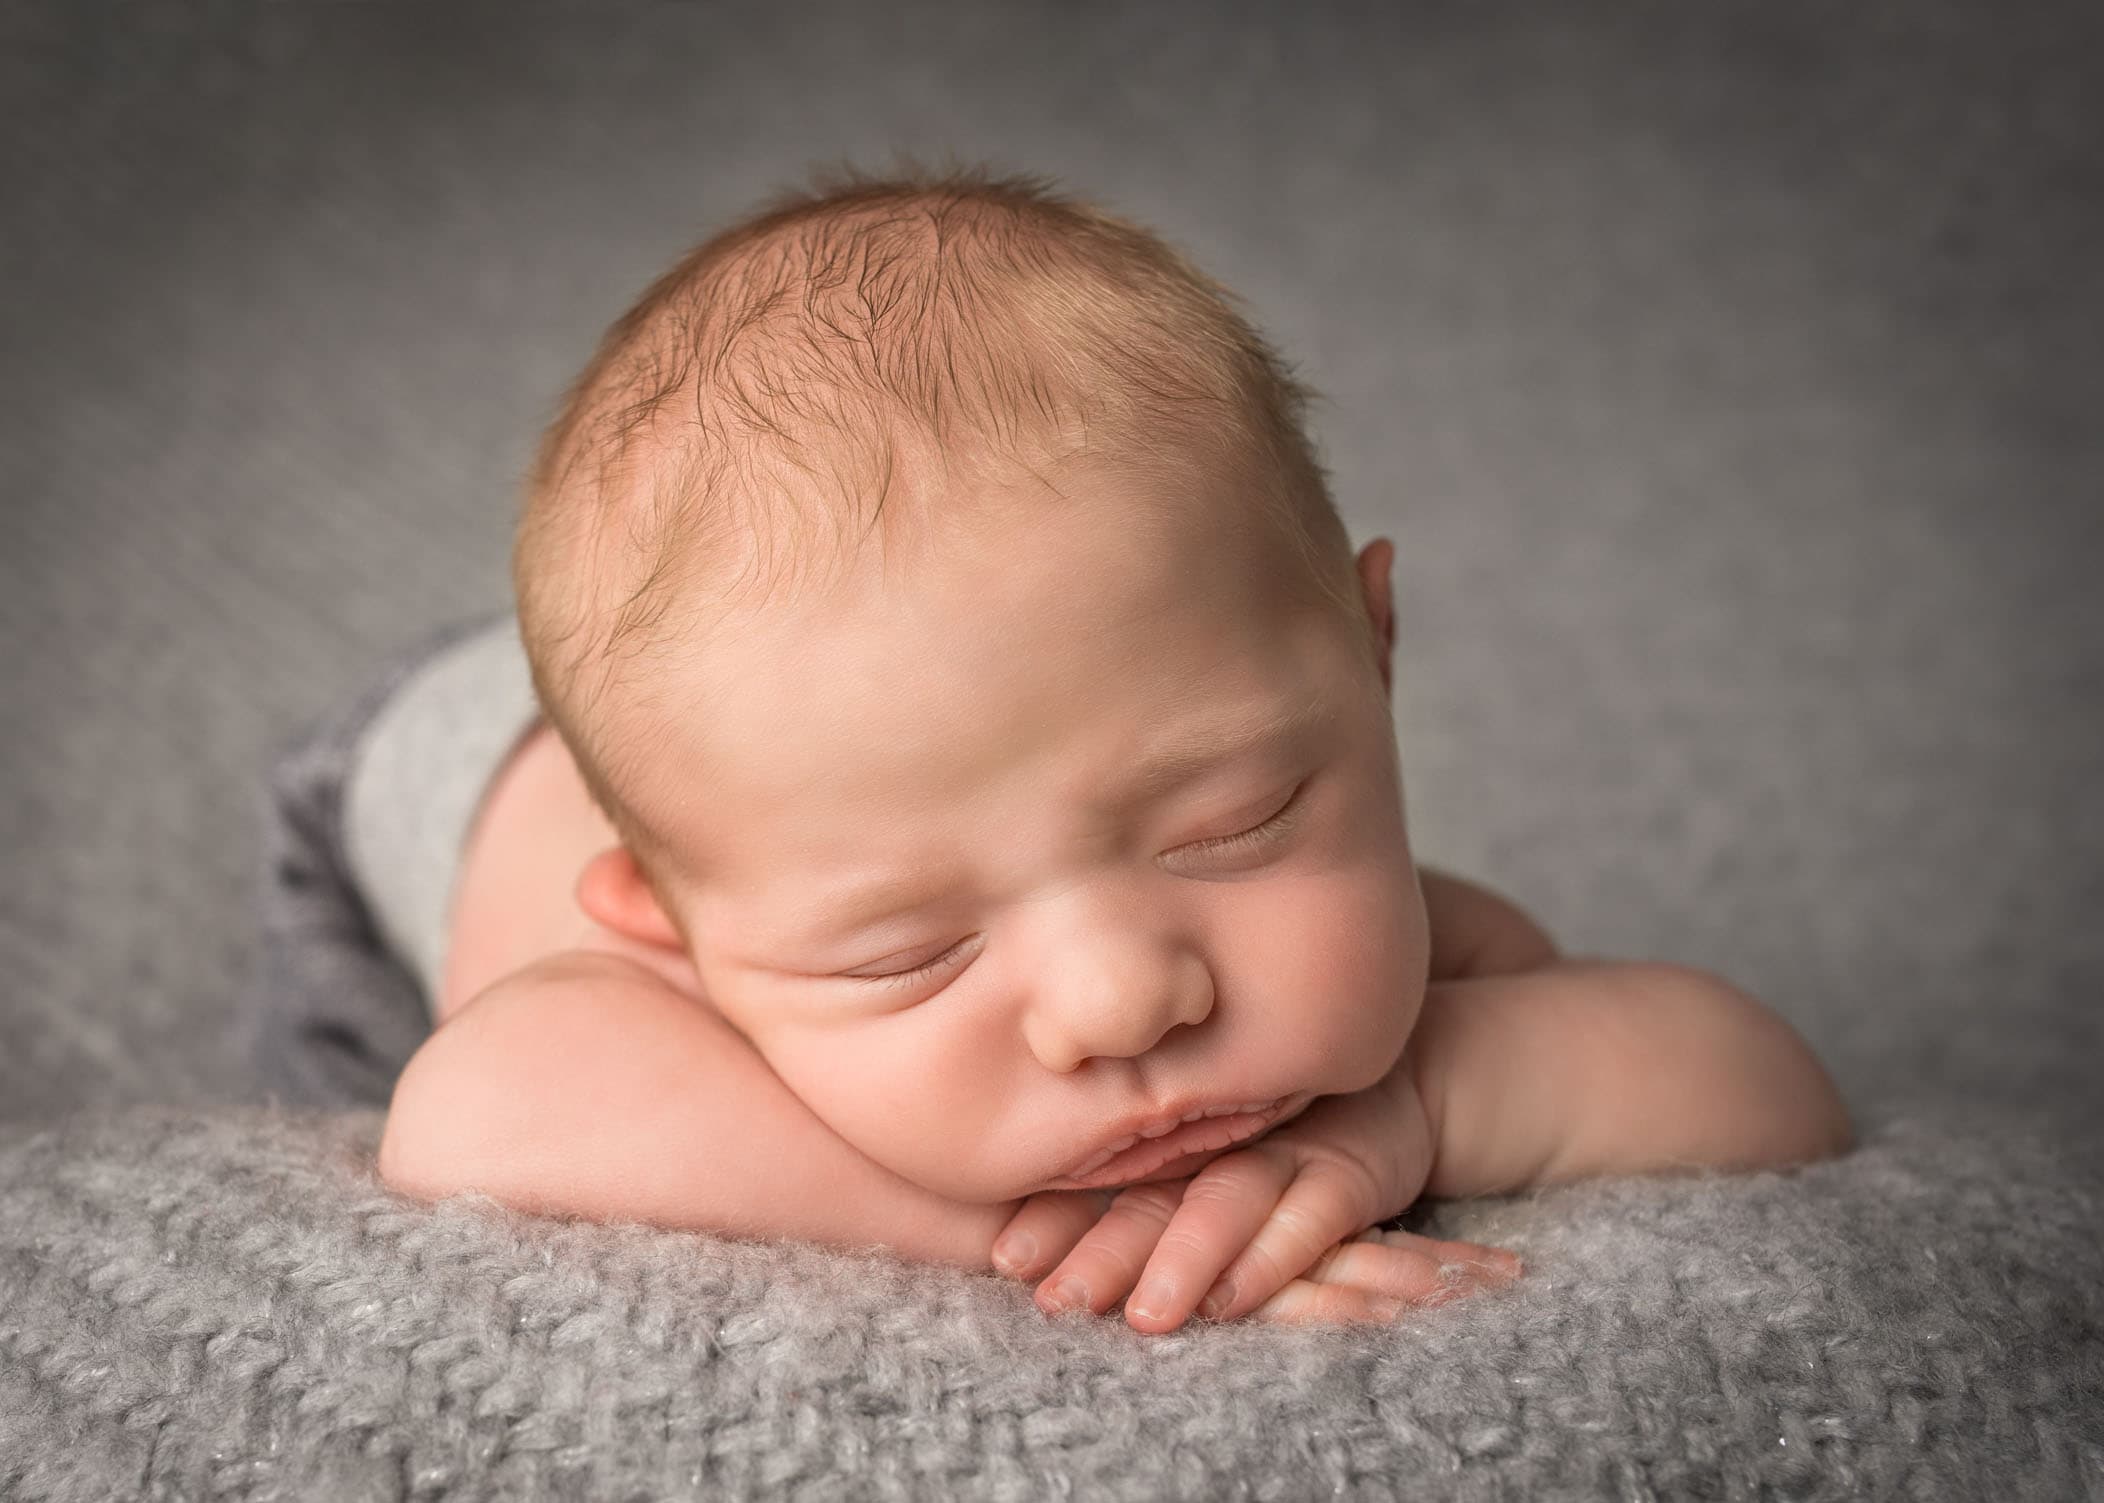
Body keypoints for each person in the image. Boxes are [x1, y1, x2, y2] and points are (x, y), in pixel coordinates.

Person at [365, 161, 1852, 1334]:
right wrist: (1026, 1236)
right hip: (449, 777)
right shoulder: (678, 940)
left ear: (1371, 652)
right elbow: (469, 1107)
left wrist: (1418, 1102)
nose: (1121, 1000)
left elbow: (1764, 1083)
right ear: (674, 923)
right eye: (907, 953)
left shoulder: (1394, 962)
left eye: (1234, 824)